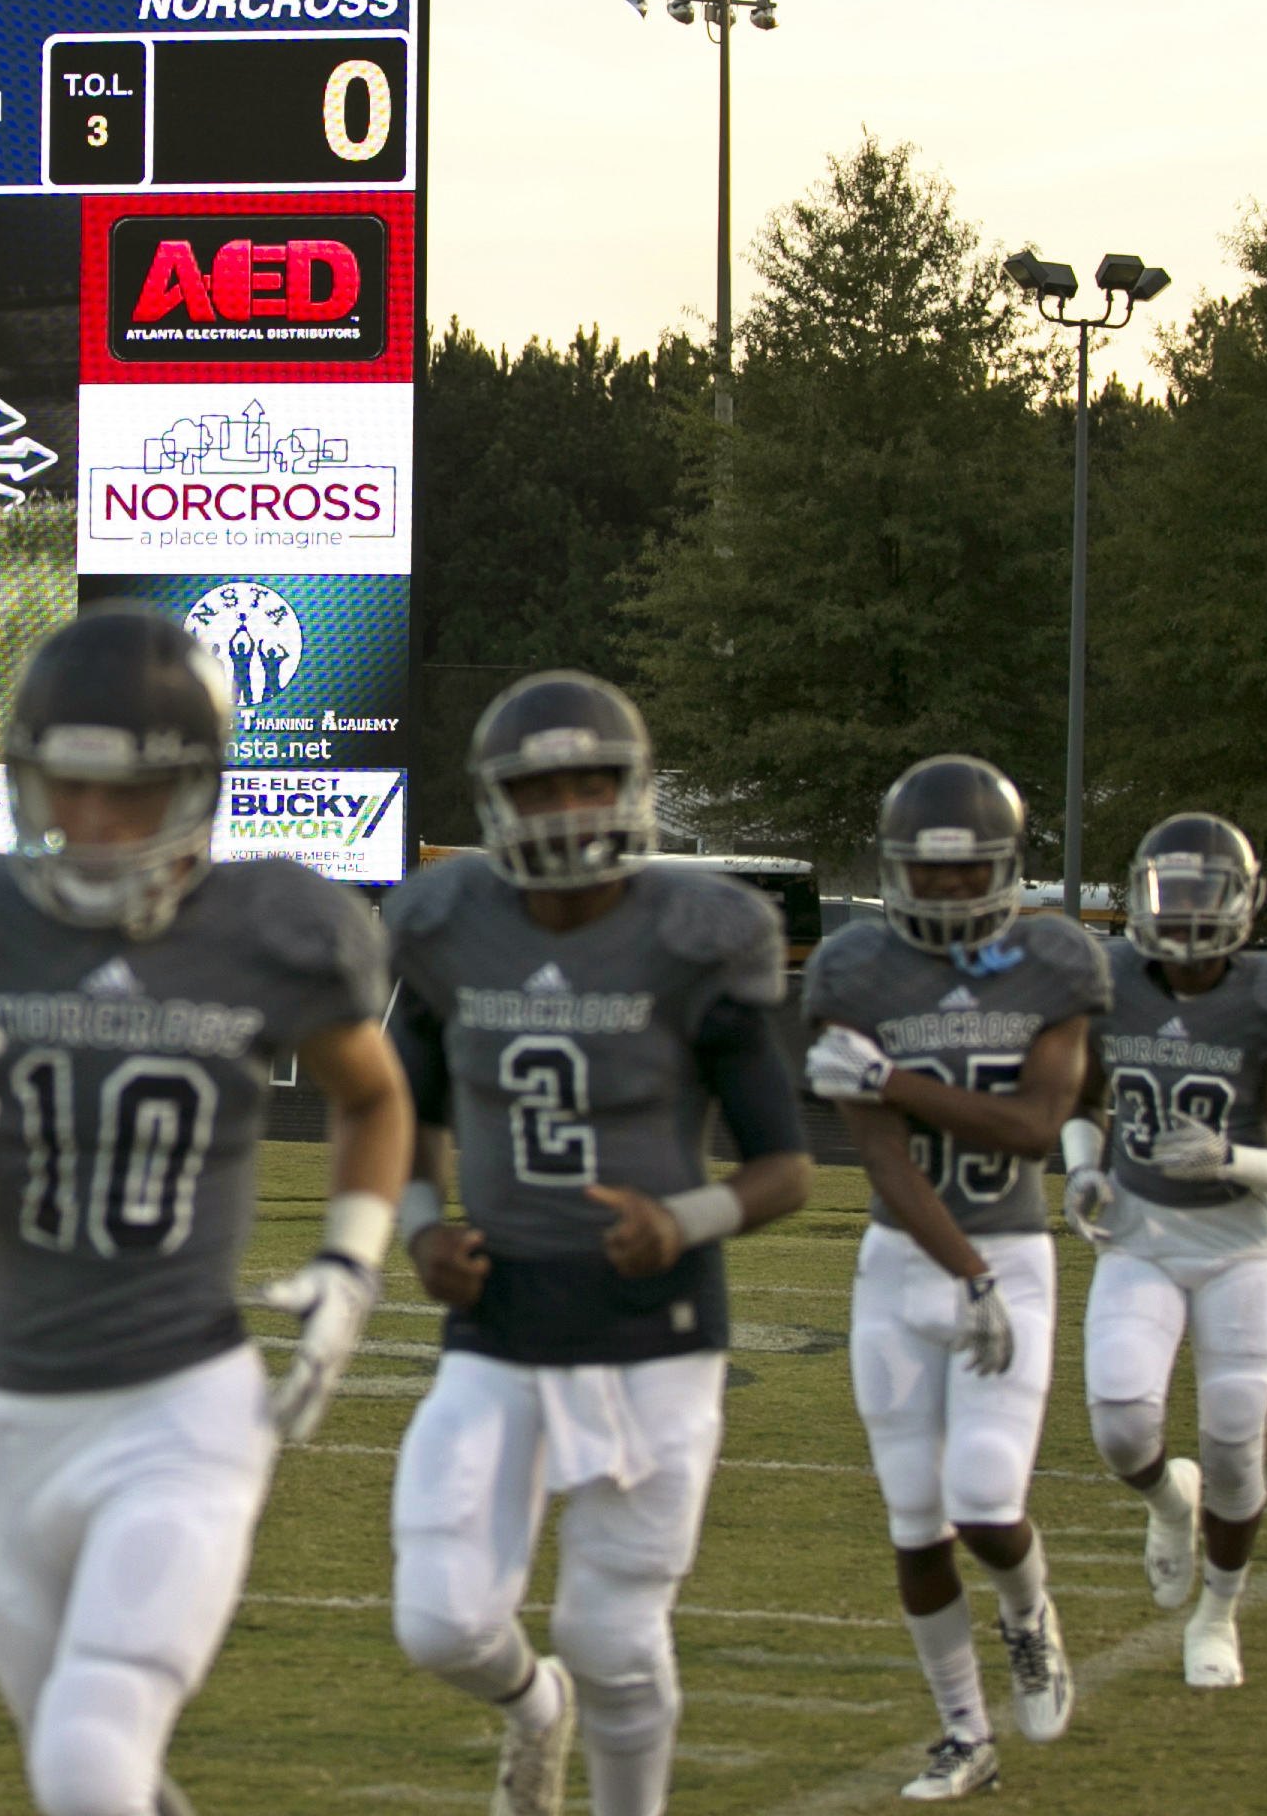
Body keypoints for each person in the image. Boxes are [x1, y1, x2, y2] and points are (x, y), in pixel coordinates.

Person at [0, 603, 413, 1816]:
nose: (93, 825)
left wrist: (352, 1260)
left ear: (198, 791)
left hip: (185, 1411)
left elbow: (375, 1101)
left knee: (85, 1757)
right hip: (16, 1412)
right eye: (67, 788)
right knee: (92, 1763)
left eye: (127, 797)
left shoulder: (272, 924)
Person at [387, 672, 813, 1816]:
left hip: (656, 1329)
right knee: (440, 1618)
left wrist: (687, 1220)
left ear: (633, 793)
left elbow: (785, 1167)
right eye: (540, 789)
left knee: (613, 1632)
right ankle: (534, 1708)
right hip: (502, 1317)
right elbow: (401, 1121)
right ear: (495, 806)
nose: (569, 809)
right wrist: (423, 1231)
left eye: (591, 781)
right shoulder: (448, 926)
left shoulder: (693, 934)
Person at [803, 754, 1103, 1803]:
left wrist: (894, 1077)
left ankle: (1028, 1615)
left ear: (1005, 868)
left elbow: (1031, 1128)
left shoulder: (1055, 961)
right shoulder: (853, 972)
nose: (938, 889)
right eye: (920, 872)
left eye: (960, 870)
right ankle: (962, 1731)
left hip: (1013, 1254)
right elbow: (884, 1160)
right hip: (905, 1262)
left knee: (984, 1497)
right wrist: (960, 1270)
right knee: (912, 1518)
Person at [1064, 813, 1267, 1688]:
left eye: (1200, 896)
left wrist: (1233, 1159)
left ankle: (1217, 1615)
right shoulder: (1112, 983)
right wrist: (1080, 1172)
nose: (1179, 916)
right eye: (1166, 896)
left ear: (1241, 904)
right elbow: (1083, 1099)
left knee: (1233, 1443)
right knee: (1118, 1425)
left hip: (1236, 1246)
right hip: (1138, 1235)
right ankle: (1168, 1506)